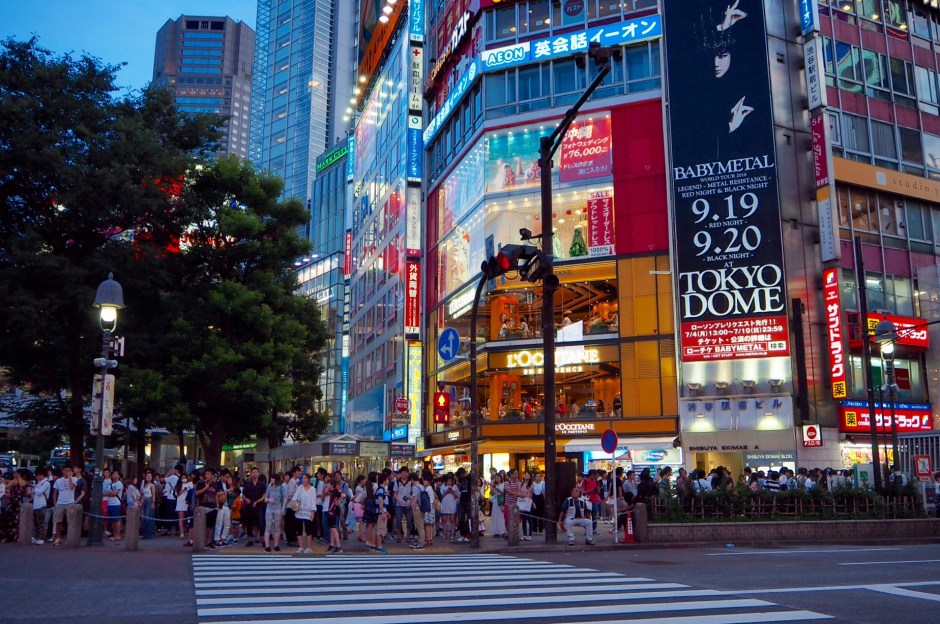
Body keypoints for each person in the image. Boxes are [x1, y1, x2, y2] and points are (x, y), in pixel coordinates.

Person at [291, 473, 318, 554]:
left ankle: (309, 547)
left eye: (305, 478)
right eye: (302, 478)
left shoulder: (313, 489)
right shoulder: (300, 487)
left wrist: (313, 512)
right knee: (299, 529)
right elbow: (295, 497)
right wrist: (293, 503)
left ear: (309, 479)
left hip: (308, 511)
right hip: (299, 511)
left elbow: (313, 501)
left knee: (308, 529)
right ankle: (301, 546)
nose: (303, 480)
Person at [241, 467, 266, 547]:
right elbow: (243, 495)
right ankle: (250, 540)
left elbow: (264, 495)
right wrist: (246, 499)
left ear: (258, 473)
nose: (254, 473)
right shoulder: (247, 484)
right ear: (251, 474)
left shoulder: (262, 484)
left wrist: (257, 501)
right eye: (253, 472)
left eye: (256, 472)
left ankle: (263, 539)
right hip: (249, 506)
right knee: (249, 523)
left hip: (259, 506)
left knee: (260, 523)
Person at [0, 469, 28, 542]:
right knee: (16, 521)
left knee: (9, 520)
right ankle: (15, 536)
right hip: (19, 503)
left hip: (12, 502)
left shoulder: (15, 481)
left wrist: (3, 482)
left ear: (18, 474)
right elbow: (26, 493)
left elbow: (6, 486)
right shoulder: (24, 482)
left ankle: (8, 536)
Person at [263, 472, 285, 552]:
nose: (271, 480)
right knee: (268, 527)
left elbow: (285, 498)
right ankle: (267, 546)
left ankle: (276, 545)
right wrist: (269, 500)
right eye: (271, 478)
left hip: (278, 508)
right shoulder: (269, 487)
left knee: (277, 527)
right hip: (269, 508)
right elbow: (265, 498)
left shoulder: (281, 487)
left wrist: (283, 509)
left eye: (272, 478)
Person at [31, 467, 51, 545]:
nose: (36, 477)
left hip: (42, 505)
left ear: (41, 475)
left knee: (41, 523)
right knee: (36, 523)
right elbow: (34, 492)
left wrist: (34, 488)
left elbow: (39, 492)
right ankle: (36, 537)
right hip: (36, 505)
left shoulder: (46, 483)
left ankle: (41, 538)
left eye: (37, 475)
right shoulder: (39, 483)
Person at [106, 470, 124, 541]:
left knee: (117, 520)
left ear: (119, 476)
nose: (114, 475)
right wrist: (109, 493)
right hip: (110, 503)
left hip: (116, 503)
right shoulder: (110, 484)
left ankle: (118, 535)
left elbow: (115, 493)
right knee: (112, 520)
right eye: (113, 473)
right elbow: (105, 492)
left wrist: (109, 493)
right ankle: (114, 534)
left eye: (116, 473)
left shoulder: (119, 483)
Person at [439, 475, 459, 542]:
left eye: (450, 481)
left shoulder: (455, 487)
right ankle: (444, 534)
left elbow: (457, 496)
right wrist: (447, 491)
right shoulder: (443, 487)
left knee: (452, 520)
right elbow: (441, 496)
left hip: (452, 504)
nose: (449, 482)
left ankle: (452, 534)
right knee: (444, 520)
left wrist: (452, 492)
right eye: (448, 481)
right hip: (444, 505)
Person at [140, 471, 157, 539]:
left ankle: (148, 534)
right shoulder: (145, 485)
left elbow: (153, 495)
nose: (148, 477)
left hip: (150, 500)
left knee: (148, 517)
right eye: (147, 476)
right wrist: (141, 501)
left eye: (150, 476)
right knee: (144, 517)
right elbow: (144, 495)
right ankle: (145, 533)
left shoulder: (152, 485)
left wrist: (153, 503)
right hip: (145, 501)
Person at [176, 473, 193, 540]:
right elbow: (176, 495)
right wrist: (182, 490)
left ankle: (188, 531)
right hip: (180, 502)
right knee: (181, 518)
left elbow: (191, 492)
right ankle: (181, 532)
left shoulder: (190, 484)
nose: (184, 479)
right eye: (182, 478)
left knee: (188, 518)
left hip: (187, 502)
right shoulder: (178, 485)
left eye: (185, 477)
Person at [517, 473, 534, 541]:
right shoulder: (520, 484)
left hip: (528, 502)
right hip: (521, 502)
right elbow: (518, 492)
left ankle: (530, 535)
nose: (526, 475)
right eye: (525, 474)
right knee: (523, 520)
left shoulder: (531, 485)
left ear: (530, 477)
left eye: (528, 475)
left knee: (530, 519)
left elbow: (530, 494)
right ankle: (524, 534)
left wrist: (523, 496)